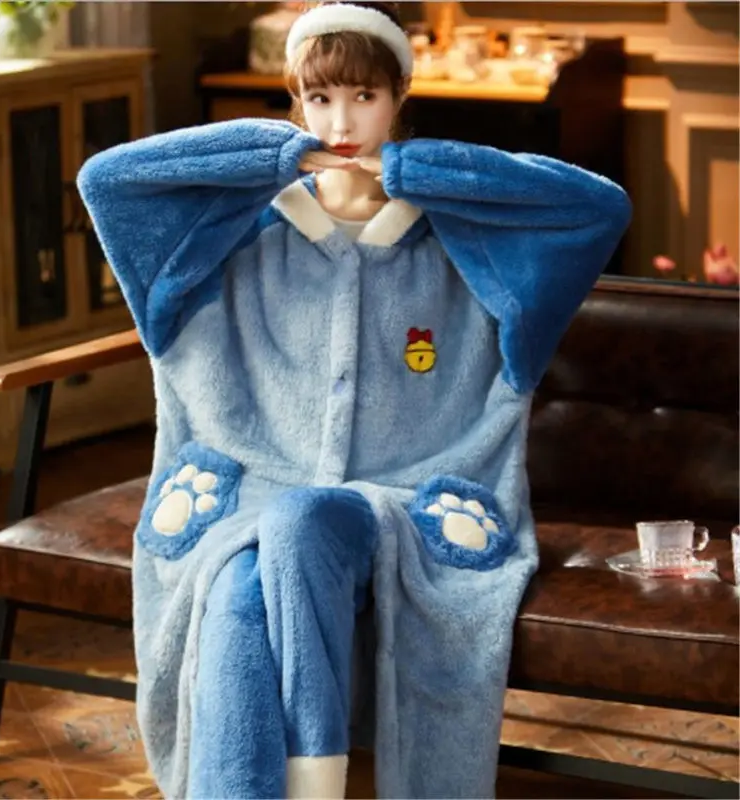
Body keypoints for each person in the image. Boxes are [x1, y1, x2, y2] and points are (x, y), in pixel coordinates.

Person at [77, 3, 632, 798]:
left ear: (399, 95)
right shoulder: (235, 237)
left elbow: (599, 207)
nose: (341, 123)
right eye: (319, 99)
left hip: (406, 503)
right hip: (250, 498)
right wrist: (273, 156)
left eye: (364, 97)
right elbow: (106, 181)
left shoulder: (472, 248)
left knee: (303, 519)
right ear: (295, 102)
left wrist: (412, 172)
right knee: (239, 592)